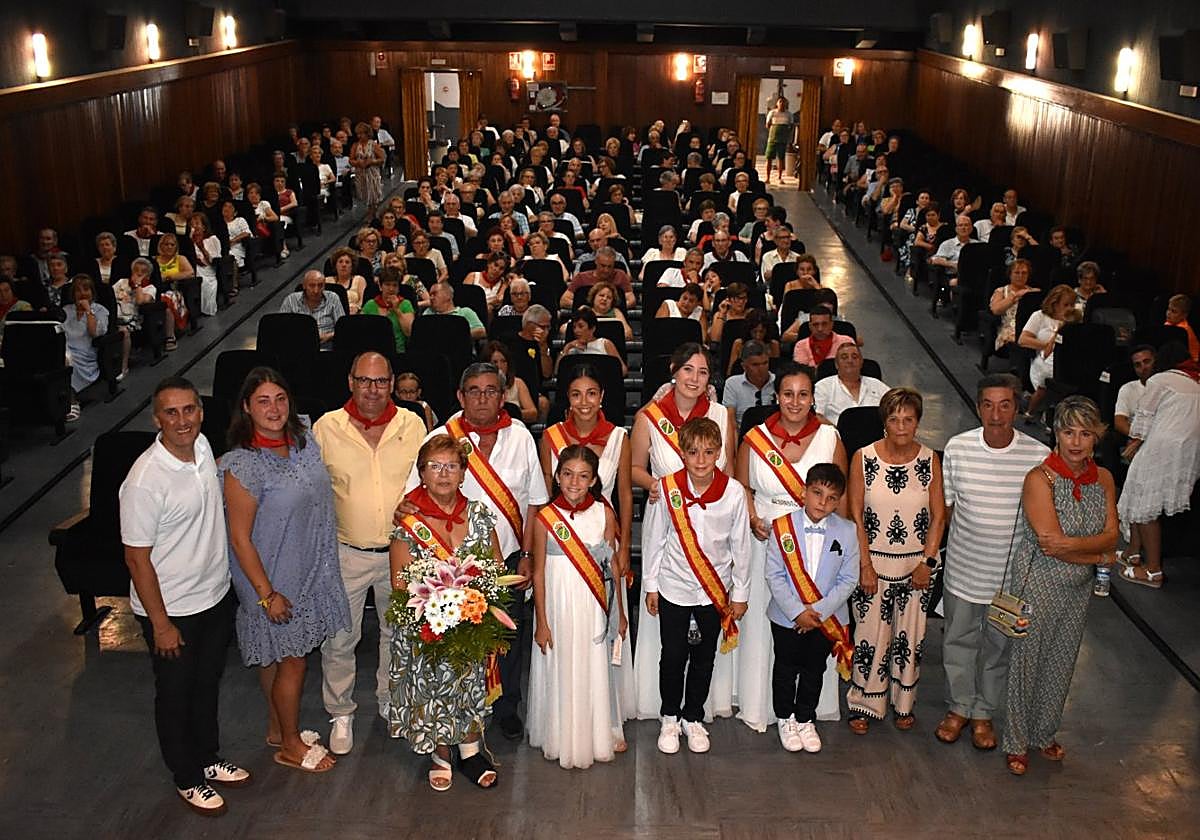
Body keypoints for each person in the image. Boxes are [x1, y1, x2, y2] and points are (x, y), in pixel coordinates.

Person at [121, 377, 248, 815]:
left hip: (213, 598)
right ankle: (187, 776)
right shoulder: (144, 481)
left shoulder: (203, 449)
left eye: (189, 410)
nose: (182, 420)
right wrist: (160, 625)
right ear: (157, 419)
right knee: (175, 695)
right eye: (171, 413)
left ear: (201, 412)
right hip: (172, 611)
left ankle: (208, 759)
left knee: (207, 685)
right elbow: (137, 560)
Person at [402, 363, 550, 739]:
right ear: (459, 396)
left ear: (503, 397)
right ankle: (462, 711)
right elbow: (410, 498)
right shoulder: (440, 437)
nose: (482, 398)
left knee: (507, 638)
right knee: (459, 641)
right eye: (473, 390)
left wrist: (530, 557)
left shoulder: (520, 437)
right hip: (450, 562)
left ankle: (505, 708)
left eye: (490, 391)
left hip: (508, 557)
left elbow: (535, 503)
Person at [222, 367, 351, 774]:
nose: (274, 409)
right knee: (292, 660)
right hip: (273, 577)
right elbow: (240, 539)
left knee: (276, 658)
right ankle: (291, 746)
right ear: (246, 408)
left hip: (308, 565)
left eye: (280, 399)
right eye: (263, 401)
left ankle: (279, 729)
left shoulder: (303, 440)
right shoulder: (241, 465)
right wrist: (266, 593)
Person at [313, 352, 424, 755]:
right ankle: (340, 712)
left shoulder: (413, 425)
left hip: (402, 552)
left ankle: (391, 702)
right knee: (341, 638)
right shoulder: (327, 427)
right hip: (347, 553)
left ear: (392, 383)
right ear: (350, 382)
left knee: (398, 634)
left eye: (380, 381)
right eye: (364, 381)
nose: (372, 390)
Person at [1002, 397, 1118, 775]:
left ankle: (1042, 733)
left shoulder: (1103, 479)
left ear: (1096, 437)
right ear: (1057, 434)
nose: (1076, 442)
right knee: (1027, 662)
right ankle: (1017, 741)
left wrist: (1088, 551)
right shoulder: (1040, 478)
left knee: (1062, 661)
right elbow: (1050, 543)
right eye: (1069, 432)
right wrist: (1097, 557)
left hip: (1078, 587)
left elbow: (1112, 536)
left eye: (1086, 433)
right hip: (1037, 582)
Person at [735, 362, 849, 734]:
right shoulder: (755, 438)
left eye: (803, 394)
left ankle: (806, 712)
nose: (795, 402)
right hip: (768, 544)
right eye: (787, 394)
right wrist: (753, 519)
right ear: (776, 396)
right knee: (767, 630)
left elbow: (843, 507)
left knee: (812, 627)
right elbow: (743, 491)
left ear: (813, 397)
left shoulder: (830, 438)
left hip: (818, 556)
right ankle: (764, 705)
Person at [936, 374, 1048, 751]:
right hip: (963, 574)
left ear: (1017, 408)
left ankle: (983, 713)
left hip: (1009, 583)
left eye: (1004, 405)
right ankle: (958, 707)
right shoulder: (957, 448)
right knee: (958, 643)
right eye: (988, 405)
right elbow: (947, 508)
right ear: (978, 407)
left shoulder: (1037, 456)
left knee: (998, 650)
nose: (995, 414)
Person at [388, 435, 504, 790]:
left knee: (468, 684)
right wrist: (439, 611)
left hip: (470, 622)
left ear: (464, 473)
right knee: (434, 686)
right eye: (434, 466)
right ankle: (439, 751)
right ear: (421, 472)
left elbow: (496, 566)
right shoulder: (409, 521)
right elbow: (399, 583)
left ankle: (469, 750)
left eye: (451, 466)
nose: (443, 474)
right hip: (426, 627)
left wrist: (473, 608)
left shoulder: (480, 515)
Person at [631, 344, 737, 722]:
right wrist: (659, 486)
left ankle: (697, 711)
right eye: (688, 370)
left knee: (705, 639)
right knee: (671, 643)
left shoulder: (723, 416)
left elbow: (732, 475)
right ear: (673, 371)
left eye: (703, 372)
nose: (695, 379)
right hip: (668, 525)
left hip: (712, 532)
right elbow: (634, 471)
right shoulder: (649, 417)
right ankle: (665, 711)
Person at [642, 417, 751, 754]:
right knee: (672, 656)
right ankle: (670, 716)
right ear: (682, 454)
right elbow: (654, 539)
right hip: (673, 587)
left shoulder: (734, 492)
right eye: (693, 452)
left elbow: (741, 545)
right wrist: (650, 585)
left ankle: (693, 716)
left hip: (713, 592)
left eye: (708, 452)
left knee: (704, 658)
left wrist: (741, 593)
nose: (701, 460)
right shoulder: (668, 488)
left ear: (719, 452)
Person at [845, 388, 947, 733]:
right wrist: (864, 565)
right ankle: (864, 702)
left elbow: (938, 517)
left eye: (909, 419)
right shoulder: (863, 457)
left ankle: (904, 703)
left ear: (918, 421)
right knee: (869, 636)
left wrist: (927, 562)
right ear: (884, 422)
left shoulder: (930, 458)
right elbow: (855, 516)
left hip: (916, 568)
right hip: (873, 565)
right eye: (894, 419)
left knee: (911, 639)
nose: (902, 426)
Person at [529, 445, 628, 768]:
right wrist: (541, 621)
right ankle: (560, 735)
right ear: (557, 476)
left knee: (593, 663)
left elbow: (612, 568)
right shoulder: (545, 518)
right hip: (558, 603)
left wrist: (620, 615)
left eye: (583, 476)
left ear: (594, 480)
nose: (574, 482)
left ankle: (597, 732)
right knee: (562, 663)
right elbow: (539, 572)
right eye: (568, 474)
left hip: (592, 605)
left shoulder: (604, 513)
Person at [765, 463, 860, 752]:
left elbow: (849, 579)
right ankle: (785, 717)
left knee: (814, 669)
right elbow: (774, 574)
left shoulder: (847, 531)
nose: (823, 502)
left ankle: (806, 717)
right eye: (817, 493)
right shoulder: (782, 527)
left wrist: (817, 612)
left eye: (831, 497)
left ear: (839, 500)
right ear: (804, 491)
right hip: (786, 617)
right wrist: (797, 612)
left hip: (825, 619)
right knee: (784, 668)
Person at [1116, 342, 1200, 589]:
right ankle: (1132, 552)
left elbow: (1144, 418)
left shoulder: (1160, 381)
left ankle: (1153, 571)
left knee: (1145, 506)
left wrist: (1134, 443)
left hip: (1161, 446)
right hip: (1187, 451)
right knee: (1136, 491)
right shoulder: (1195, 383)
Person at [1018, 284, 1077, 422]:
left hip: (1067, 360)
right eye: (1066, 304)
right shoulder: (1039, 316)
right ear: (1055, 304)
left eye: (1072, 305)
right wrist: (1048, 345)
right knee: (1050, 376)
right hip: (1043, 358)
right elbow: (1022, 340)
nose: (1070, 308)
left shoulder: (1074, 321)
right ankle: (1036, 408)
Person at [64, 276, 109, 421]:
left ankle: (72, 402)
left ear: (92, 292)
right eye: (78, 290)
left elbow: (94, 332)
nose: (82, 293)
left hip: (85, 353)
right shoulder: (65, 310)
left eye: (86, 289)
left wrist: (88, 310)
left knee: (70, 361)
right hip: (65, 348)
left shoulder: (100, 310)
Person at [814, 343, 890, 425]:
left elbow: (897, 405)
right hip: (837, 435)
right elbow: (816, 416)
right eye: (844, 357)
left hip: (877, 435)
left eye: (854, 357)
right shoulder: (822, 387)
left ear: (861, 362)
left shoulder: (877, 385)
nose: (850, 361)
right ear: (836, 364)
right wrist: (836, 432)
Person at [279, 270, 345, 350]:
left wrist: (329, 336)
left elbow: (343, 328)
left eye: (320, 285)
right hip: (297, 348)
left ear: (324, 286)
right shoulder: (291, 300)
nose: (316, 290)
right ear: (304, 286)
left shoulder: (333, 298)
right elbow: (281, 328)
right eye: (312, 285)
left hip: (325, 348)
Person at [722, 340, 777, 429]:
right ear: (744, 366)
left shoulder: (779, 381)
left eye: (765, 363)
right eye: (755, 365)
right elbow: (730, 422)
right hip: (744, 437)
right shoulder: (732, 384)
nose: (761, 369)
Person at [988, 258, 1040, 355]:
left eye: (1024, 273)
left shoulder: (1033, 292)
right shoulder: (1001, 291)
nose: (1020, 276)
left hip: (1030, 328)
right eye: (1017, 273)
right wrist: (1014, 297)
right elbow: (996, 310)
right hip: (1010, 330)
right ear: (1010, 275)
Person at [483, 340, 539, 424]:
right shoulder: (481, 386)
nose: (499, 366)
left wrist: (512, 414)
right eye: (494, 362)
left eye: (503, 361)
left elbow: (533, 413)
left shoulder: (518, 383)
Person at [557, 308, 626, 376]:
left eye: (580, 326)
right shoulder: (571, 348)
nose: (576, 331)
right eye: (574, 327)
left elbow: (623, 370)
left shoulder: (604, 343)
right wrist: (566, 348)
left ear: (592, 328)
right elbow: (557, 372)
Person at [1114, 346, 1156, 439]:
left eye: (1146, 361)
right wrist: (1138, 438)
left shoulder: (1167, 386)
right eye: (1137, 365)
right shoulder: (1128, 388)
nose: (1143, 367)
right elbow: (1119, 422)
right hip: (1134, 437)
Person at [351, 121, 385, 221]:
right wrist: (357, 163)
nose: (359, 136)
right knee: (364, 194)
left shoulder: (373, 145)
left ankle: (372, 214)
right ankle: (371, 212)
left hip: (372, 173)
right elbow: (351, 159)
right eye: (358, 134)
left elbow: (382, 159)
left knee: (373, 194)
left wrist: (372, 161)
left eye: (361, 133)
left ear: (367, 133)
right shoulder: (355, 145)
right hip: (361, 173)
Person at [764, 96, 794, 186]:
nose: (782, 103)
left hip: (783, 140)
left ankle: (780, 177)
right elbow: (767, 125)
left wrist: (785, 134)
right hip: (772, 139)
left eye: (784, 102)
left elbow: (791, 126)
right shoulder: (772, 113)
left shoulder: (789, 114)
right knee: (769, 158)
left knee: (781, 158)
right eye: (780, 101)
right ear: (777, 103)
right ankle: (767, 178)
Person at [1164, 294, 1199, 361]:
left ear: (1184, 315)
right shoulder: (1168, 324)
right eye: (1168, 309)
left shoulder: (1184, 330)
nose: (1168, 313)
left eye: (1174, 311)